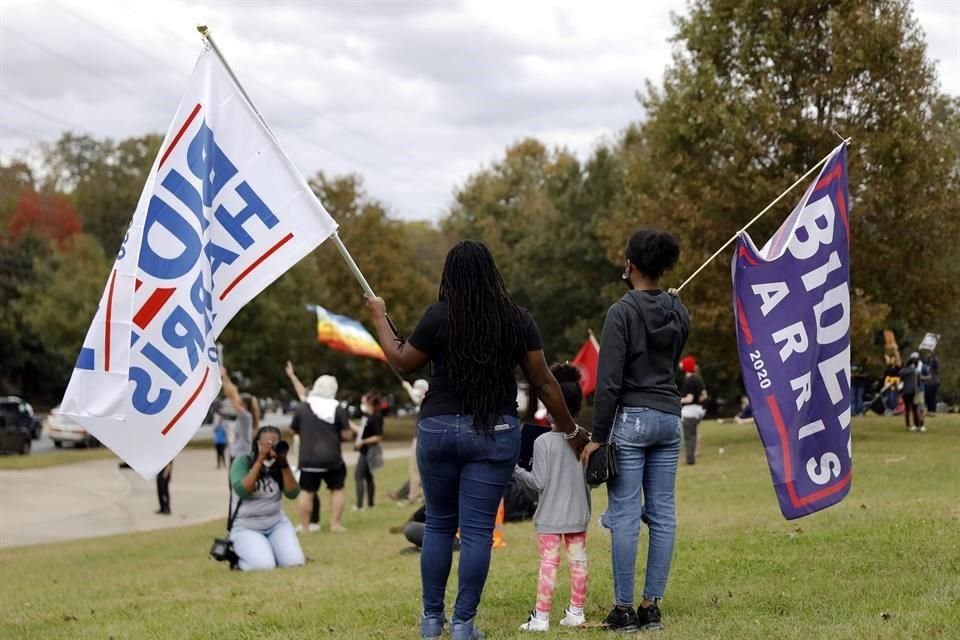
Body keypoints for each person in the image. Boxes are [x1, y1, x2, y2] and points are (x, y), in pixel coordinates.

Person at [364, 240, 589, 640]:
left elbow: (401, 361)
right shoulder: (517, 319)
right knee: (477, 533)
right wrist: (570, 429)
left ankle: (432, 621)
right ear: (492, 273)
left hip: (438, 430)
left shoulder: (437, 316)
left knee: (437, 526)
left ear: (450, 276)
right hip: (494, 433)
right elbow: (544, 381)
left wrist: (379, 317)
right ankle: (464, 625)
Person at [581, 228, 689, 632]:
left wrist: (597, 436)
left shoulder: (621, 313)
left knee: (625, 514)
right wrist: (673, 306)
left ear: (630, 265)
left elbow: (608, 382)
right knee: (662, 512)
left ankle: (624, 609)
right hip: (669, 417)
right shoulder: (679, 310)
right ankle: (651, 606)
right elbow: (673, 355)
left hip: (632, 418)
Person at [513, 363, 591, 632]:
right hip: (579, 514)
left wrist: (516, 470)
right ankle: (576, 612)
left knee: (549, 564)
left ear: (550, 404)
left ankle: (541, 618)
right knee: (578, 561)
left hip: (549, 517)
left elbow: (538, 483)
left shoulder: (542, 442)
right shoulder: (586, 439)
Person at [229, 426, 305, 571]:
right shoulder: (243, 462)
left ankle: (272, 551)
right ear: (257, 444)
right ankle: (239, 560)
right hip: (246, 526)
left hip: (276, 523)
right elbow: (243, 491)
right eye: (266, 444)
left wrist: (283, 463)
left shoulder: (279, 465)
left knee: (294, 563)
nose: (271, 447)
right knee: (263, 566)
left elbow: (293, 493)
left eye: (275, 443)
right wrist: (260, 460)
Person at [290, 374, 352, 533]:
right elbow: (346, 435)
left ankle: (304, 527)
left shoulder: (303, 407)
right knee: (337, 489)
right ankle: (335, 524)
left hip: (308, 458)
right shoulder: (337, 408)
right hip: (332, 457)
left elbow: (293, 429)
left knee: (307, 492)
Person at [284, 361, 321, 528]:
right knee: (310, 489)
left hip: (309, 454)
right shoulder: (312, 406)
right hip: (306, 453)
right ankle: (312, 520)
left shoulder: (315, 409)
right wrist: (292, 376)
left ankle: (312, 521)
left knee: (309, 489)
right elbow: (301, 393)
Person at [353, 391, 385, 510]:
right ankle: (371, 504)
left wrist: (363, 442)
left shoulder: (377, 416)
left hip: (371, 451)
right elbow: (362, 431)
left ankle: (360, 505)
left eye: (363, 402)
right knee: (368, 477)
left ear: (370, 401)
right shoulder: (367, 416)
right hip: (364, 450)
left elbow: (378, 437)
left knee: (359, 476)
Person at [220, 367, 256, 464]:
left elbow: (232, 395)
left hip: (240, 457)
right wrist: (225, 378)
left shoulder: (246, 416)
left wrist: (224, 377)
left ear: (244, 405)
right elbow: (233, 395)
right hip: (238, 455)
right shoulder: (246, 417)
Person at [679, 356, 706, 465]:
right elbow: (703, 395)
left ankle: (689, 459)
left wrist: (677, 400)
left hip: (689, 412)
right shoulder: (698, 379)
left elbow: (689, 398)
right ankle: (692, 457)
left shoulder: (689, 381)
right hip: (698, 411)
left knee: (688, 436)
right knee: (694, 434)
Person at [899, 352, 925, 432]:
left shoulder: (903, 371)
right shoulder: (914, 371)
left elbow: (901, 378)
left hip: (905, 391)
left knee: (907, 409)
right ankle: (917, 424)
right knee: (914, 409)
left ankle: (907, 425)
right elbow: (918, 381)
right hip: (913, 391)